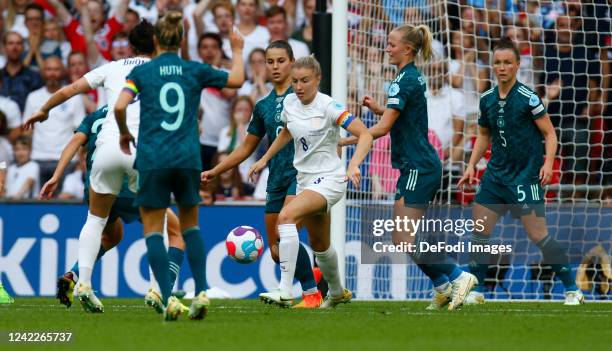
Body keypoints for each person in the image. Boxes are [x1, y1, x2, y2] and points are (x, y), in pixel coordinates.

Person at [114, 11, 245, 321]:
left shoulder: (143, 73)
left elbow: (120, 105)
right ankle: (200, 291)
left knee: (153, 230)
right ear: (182, 39)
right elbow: (237, 80)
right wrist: (237, 49)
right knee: (190, 226)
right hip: (187, 158)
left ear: (156, 40)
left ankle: (167, 298)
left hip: (154, 159)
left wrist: (123, 132)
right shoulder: (193, 70)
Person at [340, 24, 477, 311]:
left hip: (419, 166)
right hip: (413, 165)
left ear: (408, 49)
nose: (386, 48)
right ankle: (442, 287)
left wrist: (348, 140)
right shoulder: (406, 77)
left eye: (391, 44)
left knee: (404, 237)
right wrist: (380, 108)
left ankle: (458, 276)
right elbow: (400, 117)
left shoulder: (404, 80)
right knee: (402, 237)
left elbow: (385, 127)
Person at [23, 20, 157, 314]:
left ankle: (81, 281)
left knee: (98, 223)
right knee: (162, 223)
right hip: (140, 152)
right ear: (157, 45)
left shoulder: (111, 69)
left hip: (106, 151)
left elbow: (70, 90)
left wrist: (43, 109)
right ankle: (159, 291)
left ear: (130, 46)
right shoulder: (163, 71)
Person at [457, 38, 584, 306]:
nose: (502, 68)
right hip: (494, 176)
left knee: (539, 235)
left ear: (517, 65)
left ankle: (573, 289)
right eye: (497, 63)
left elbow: (550, 134)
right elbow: (483, 135)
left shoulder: (529, 98)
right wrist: (470, 166)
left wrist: (547, 164)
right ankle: (477, 291)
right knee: (480, 231)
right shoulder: (487, 99)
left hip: (525, 176)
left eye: (507, 63)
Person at [203, 42, 323, 308]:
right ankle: (316, 275)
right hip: (276, 178)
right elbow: (247, 147)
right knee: (277, 251)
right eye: (270, 62)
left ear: (292, 61)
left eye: (281, 61)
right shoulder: (263, 105)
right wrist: (215, 170)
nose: (275, 66)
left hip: (302, 174)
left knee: (286, 229)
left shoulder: (303, 95)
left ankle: (311, 293)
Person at [248, 55, 372, 308]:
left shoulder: (330, 107)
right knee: (320, 246)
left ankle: (285, 290)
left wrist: (354, 164)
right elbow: (286, 132)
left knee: (286, 217)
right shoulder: (290, 104)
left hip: (330, 179)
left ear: (318, 79)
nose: (299, 86)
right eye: (295, 81)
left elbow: (365, 134)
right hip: (305, 180)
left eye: (305, 80)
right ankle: (337, 292)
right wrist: (264, 160)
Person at [41, 105, 187, 313]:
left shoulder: (96, 115)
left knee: (112, 235)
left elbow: (74, 142)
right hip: (129, 184)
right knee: (176, 231)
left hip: (96, 188)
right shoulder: (141, 111)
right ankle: (164, 291)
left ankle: (74, 276)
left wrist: (56, 176)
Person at [23, 56, 86, 186]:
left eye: (56, 69)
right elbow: (27, 131)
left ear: (63, 71)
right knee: (37, 204)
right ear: (42, 72)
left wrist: (79, 160)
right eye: (49, 69)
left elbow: (80, 132)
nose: (52, 73)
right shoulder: (32, 97)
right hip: (37, 158)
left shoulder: (75, 97)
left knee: (65, 205)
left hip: (66, 161)